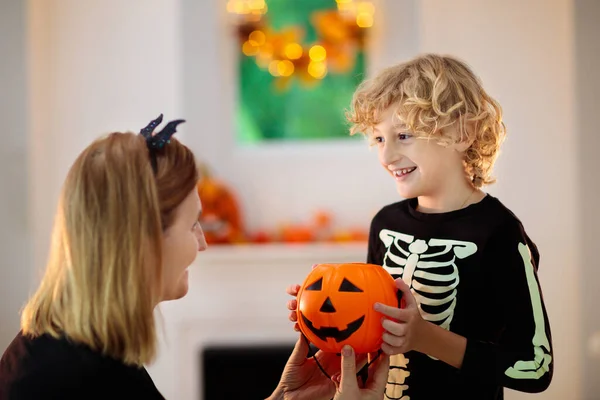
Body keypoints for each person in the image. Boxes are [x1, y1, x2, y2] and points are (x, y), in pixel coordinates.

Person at [0, 115, 389, 400]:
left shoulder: (85, 348)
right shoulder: (68, 376)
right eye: (192, 225)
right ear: (144, 241)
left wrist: (286, 399)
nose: (201, 243)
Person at [287, 54, 554, 399]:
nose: (385, 157)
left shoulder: (499, 233)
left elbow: (535, 366)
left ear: (462, 132)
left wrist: (424, 337)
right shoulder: (385, 223)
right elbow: (370, 331)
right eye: (379, 139)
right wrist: (323, 316)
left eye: (404, 135)